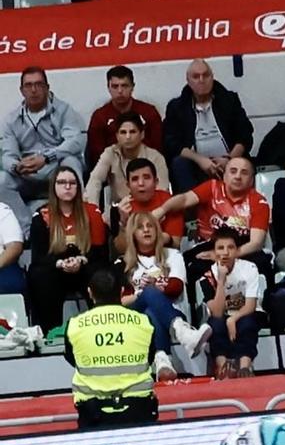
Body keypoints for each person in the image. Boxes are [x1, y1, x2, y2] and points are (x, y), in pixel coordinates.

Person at [24, 167, 109, 339]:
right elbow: (39, 257)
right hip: (55, 268)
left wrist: (81, 259)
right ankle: (49, 335)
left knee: (102, 272)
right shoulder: (41, 215)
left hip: (85, 265)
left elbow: (101, 251)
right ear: (53, 187)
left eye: (72, 183)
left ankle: (104, 330)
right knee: (39, 274)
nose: (67, 187)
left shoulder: (92, 212)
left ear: (78, 187)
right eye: (62, 183)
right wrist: (60, 263)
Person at [65, 271, 156, 427]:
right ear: (121, 291)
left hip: (93, 413)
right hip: (139, 409)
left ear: (90, 293)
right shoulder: (143, 321)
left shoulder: (74, 325)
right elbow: (149, 357)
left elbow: (72, 359)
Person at [119, 209, 201, 377]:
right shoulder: (123, 263)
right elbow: (121, 301)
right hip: (135, 317)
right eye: (140, 227)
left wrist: (153, 289)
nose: (147, 230)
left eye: (150, 226)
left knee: (151, 311)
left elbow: (176, 287)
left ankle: (162, 359)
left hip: (169, 310)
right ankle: (182, 331)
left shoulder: (173, 255)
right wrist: (145, 293)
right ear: (132, 234)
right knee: (148, 295)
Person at [1, 68, 86, 230]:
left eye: (39, 85)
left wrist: (47, 158)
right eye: (29, 85)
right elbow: (7, 156)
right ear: (22, 90)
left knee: (71, 162)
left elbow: (75, 141)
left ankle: (77, 223)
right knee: (2, 180)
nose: (34, 90)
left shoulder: (64, 110)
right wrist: (16, 166)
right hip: (28, 174)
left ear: (47, 87)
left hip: (55, 168)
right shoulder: (11, 120)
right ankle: (28, 229)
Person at [162, 58, 254, 194]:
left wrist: (229, 160)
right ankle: (192, 213)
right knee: (179, 163)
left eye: (205, 75)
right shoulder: (177, 107)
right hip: (196, 163)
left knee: (242, 164)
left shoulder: (229, 100)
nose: (201, 80)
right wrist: (200, 160)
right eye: (196, 76)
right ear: (188, 81)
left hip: (229, 159)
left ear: (212, 77)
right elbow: (171, 143)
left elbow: (245, 135)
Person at [196, 224, 263, 376]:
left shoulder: (249, 268)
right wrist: (221, 280)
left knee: (247, 322)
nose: (225, 253)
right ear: (214, 251)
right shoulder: (207, 276)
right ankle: (223, 367)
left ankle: (245, 367)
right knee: (215, 324)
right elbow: (217, 312)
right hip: (223, 315)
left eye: (230, 247)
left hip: (245, 312)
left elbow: (251, 305)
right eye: (220, 248)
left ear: (237, 250)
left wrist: (233, 319)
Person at [86, 67, 165, 172]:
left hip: (147, 168)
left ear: (132, 87)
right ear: (108, 88)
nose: (120, 91)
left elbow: (158, 147)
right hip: (112, 171)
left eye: (124, 86)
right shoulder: (100, 116)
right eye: (115, 86)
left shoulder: (149, 112)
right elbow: (96, 153)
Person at [84, 116, 166, 212]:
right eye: (123, 132)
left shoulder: (156, 157)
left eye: (132, 132)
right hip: (120, 209)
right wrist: (93, 211)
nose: (128, 137)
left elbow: (162, 190)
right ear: (117, 136)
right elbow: (95, 180)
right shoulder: (110, 153)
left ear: (142, 134)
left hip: (150, 209)